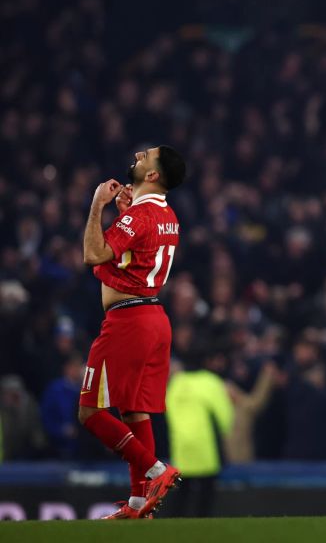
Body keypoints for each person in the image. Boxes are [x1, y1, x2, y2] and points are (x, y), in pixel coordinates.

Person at [78, 145, 186, 519]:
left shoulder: (139, 216)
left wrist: (97, 205)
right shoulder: (167, 215)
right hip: (155, 318)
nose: (140, 154)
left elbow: (93, 254)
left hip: (129, 320)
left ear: (153, 175)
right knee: (135, 412)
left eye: (148, 156)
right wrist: (125, 214)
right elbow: (134, 254)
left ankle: (157, 471)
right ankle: (139, 503)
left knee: (89, 411)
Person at [166, 349, 234, 517]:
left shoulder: (176, 382)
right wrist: (224, 431)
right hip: (206, 447)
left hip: (182, 447)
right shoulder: (210, 382)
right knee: (206, 492)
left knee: (182, 492)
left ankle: (174, 526)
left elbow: (167, 409)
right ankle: (203, 525)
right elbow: (225, 415)